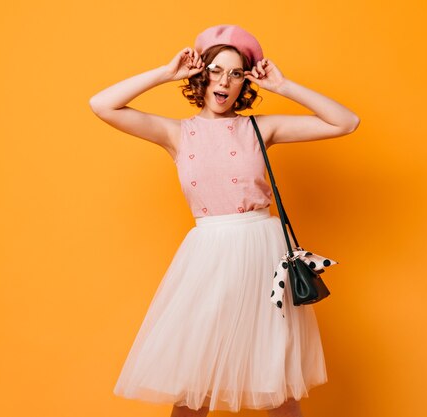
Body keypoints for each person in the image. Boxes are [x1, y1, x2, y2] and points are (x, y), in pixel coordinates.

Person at [89, 24, 360, 417]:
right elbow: (102, 104)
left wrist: (284, 86)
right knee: (193, 386)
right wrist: (166, 73)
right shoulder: (177, 133)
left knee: (277, 382)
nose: (224, 82)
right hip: (209, 259)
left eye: (235, 73)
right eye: (216, 70)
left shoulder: (259, 128)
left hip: (263, 255)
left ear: (244, 82)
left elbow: (346, 122)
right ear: (201, 75)